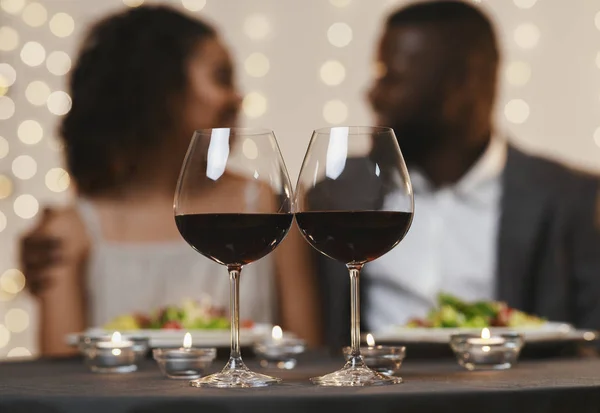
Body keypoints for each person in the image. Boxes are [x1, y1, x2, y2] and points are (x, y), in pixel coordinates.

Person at [21, 5, 321, 356]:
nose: (237, 97)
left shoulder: (268, 205)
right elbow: (60, 377)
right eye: (221, 77)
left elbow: (306, 350)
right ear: (159, 88)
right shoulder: (70, 231)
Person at [313, 0, 600, 347]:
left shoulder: (572, 199)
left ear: (463, 84)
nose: (372, 94)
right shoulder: (334, 196)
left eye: (392, 77)